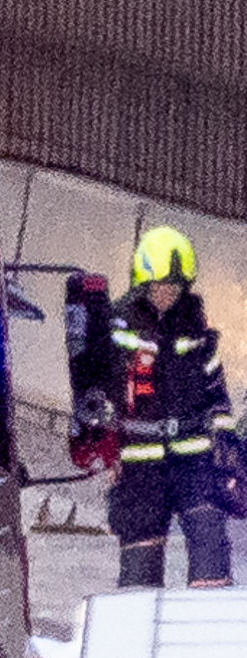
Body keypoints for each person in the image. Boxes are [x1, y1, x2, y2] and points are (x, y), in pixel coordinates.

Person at [99, 229, 232, 590]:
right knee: (140, 571)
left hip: (194, 461)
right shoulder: (119, 327)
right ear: (143, 282)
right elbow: (101, 391)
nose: (168, 293)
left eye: (175, 285)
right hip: (140, 467)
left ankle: (210, 634)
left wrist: (227, 444)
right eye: (160, 284)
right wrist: (106, 449)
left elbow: (216, 393)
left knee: (211, 555)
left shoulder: (196, 329)